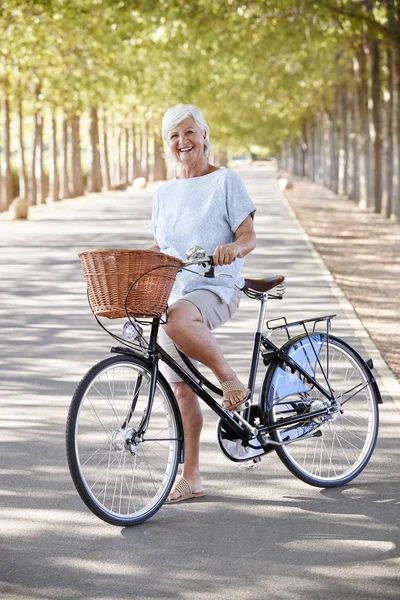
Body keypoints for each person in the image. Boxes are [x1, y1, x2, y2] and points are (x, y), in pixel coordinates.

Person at [148, 104, 256, 503]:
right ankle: (191, 478)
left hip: (216, 286)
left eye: (189, 132)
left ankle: (230, 381)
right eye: (174, 136)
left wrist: (232, 247)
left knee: (177, 319)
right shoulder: (163, 193)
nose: (183, 142)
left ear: (204, 135)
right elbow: (160, 249)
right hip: (175, 292)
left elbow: (249, 235)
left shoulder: (226, 181)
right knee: (181, 390)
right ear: (167, 144)